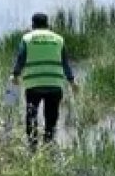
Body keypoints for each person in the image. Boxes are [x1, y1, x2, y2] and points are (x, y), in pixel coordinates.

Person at [10, 12, 78, 150]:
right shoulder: (58, 39)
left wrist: (15, 75)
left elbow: (21, 59)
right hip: (54, 85)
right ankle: (48, 145)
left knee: (31, 116)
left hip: (33, 85)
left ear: (33, 25)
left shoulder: (27, 38)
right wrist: (72, 81)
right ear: (47, 24)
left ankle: (32, 146)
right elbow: (65, 63)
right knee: (51, 118)